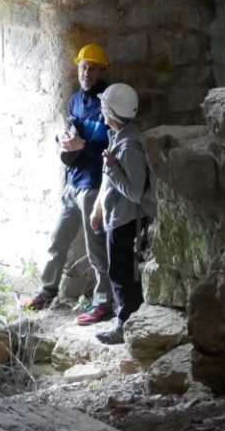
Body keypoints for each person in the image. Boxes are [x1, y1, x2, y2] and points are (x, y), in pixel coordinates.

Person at [22, 44, 114, 323]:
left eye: (93, 68)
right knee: (57, 239)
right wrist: (65, 139)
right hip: (72, 182)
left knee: (96, 247)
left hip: (94, 185)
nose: (87, 72)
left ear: (101, 71)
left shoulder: (109, 102)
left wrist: (82, 144)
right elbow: (73, 130)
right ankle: (47, 290)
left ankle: (104, 302)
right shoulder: (75, 100)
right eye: (83, 67)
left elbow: (114, 145)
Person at [87, 81, 156, 346]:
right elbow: (110, 183)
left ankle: (125, 324)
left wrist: (113, 168)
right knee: (121, 272)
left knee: (121, 274)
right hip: (117, 217)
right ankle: (127, 321)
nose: (101, 111)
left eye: (104, 107)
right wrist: (98, 208)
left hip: (127, 221)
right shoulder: (119, 136)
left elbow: (135, 191)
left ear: (111, 113)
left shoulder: (129, 146)